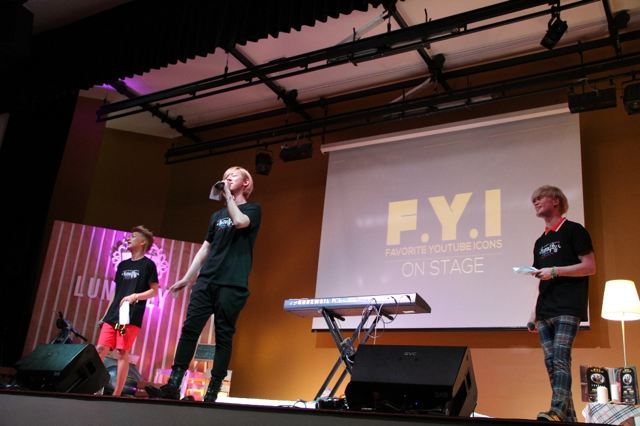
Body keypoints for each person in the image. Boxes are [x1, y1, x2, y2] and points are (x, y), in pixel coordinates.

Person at [146, 166, 261, 402]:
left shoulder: (253, 209)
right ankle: (173, 385)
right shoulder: (216, 216)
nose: (227, 177)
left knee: (223, 336)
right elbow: (206, 248)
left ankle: (212, 391)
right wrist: (187, 278)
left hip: (232, 283)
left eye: (233, 175)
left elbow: (240, 222)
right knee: (189, 330)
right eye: (225, 175)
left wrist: (228, 195)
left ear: (246, 183)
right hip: (206, 280)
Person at [529, 185, 596, 422]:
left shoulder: (574, 230)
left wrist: (556, 271)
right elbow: (541, 279)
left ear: (556, 200)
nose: (536, 202)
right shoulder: (540, 242)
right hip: (545, 310)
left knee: (560, 357)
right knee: (551, 363)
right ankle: (568, 418)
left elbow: (589, 266)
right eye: (534, 200)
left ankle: (557, 410)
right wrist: (533, 314)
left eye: (540, 198)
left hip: (568, 306)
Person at [96, 225, 159, 396]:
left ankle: (116, 394)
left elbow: (154, 291)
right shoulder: (123, 265)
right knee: (100, 348)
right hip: (113, 314)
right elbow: (115, 293)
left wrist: (135, 296)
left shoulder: (148, 265)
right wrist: (105, 315)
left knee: (122, 351)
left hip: (129, 316)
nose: (129, 239)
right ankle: (95, 387)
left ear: (142, 242)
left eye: (133, 236)